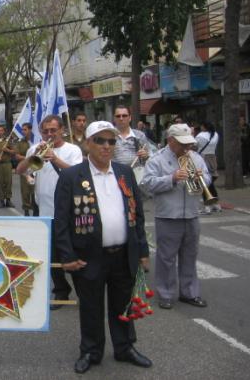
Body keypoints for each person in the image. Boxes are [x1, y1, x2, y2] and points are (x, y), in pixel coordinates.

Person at [54, 121, 151, 374]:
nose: (106, 146)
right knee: (91, 308)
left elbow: (137, 215)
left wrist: (142, 251)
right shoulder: (71, 176)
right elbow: (61, 222)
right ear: (88, 143)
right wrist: (67, 256)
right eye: (100, 140)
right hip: (89, 256)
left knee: (123, 305)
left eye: (111, 141)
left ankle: (124, 347)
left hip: (122, 254)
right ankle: (90, 350)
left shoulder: (124, 173)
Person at [140, 123, 211, 311]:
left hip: (191, 214)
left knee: (190, 256)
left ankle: (189, 293)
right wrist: (171, 178)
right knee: (166, 258)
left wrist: (200, 177)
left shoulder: (195, 157)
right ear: (170, 140)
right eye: (182, 143)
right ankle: (166, 294)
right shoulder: (156, 159)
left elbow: (208, 179)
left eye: (188, 143)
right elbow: (147, 184)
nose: (187, 148)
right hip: (168, 216)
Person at [16, 115, 83, 309]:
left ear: (62, 129)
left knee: (73, 253)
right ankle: (61, 291)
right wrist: (31, 156)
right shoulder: (34, 148)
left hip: (69, 211)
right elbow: (20, 171)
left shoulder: (72, 150)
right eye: (45, 131)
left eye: (53, 130)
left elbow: (78, 174)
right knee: (52, 255)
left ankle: (83, 292)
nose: (49, 134)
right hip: (45, 210)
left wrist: (55, 158)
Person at [195, 122, 221, 214]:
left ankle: (207, 207)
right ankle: (216, 205)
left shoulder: (200, 135)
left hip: (203, 158)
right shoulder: (216, 135)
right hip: (213, 158)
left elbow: (194, 146)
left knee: (204, 183)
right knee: (210, 184)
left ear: (204, 126)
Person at [13, 123, 35, 216]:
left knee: (34, 192)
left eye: (25, 129)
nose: (23, 131)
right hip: (24, 171)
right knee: (25, 192)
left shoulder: (36, 141)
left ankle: (35, 211)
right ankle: (26, 211)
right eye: (22, 129)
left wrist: (26, 158)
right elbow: (17, 156)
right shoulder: (20, 142)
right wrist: (30, 158)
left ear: (30, 130)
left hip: (35, 170)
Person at [0, 125, 15, 208]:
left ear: (4, 131)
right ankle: (1, 201)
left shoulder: (8, 141)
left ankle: (8, 200)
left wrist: (7, 150)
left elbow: (14, 152)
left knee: (8, 182)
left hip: (7, 164)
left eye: (1, 130)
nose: (0, 132)